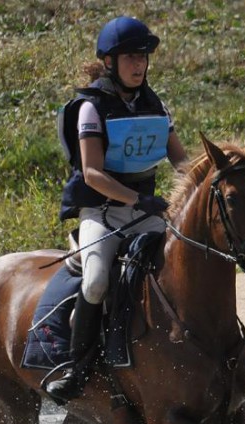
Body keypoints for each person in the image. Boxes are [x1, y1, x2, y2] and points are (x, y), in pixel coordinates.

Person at [47, 16, 188, 401]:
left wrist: (210, 180)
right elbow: (92, 173)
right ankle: (77, 368)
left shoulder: (156, 104)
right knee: (95, 281)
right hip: (104, 214)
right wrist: (138, 199)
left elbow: (182, 163)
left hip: (147, 215)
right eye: (130, 56)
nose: (139, 64)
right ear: (109, 62)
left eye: (142, 56)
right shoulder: (91, 108)